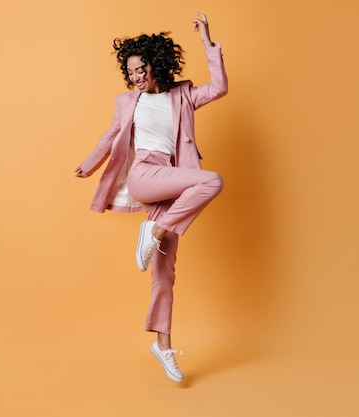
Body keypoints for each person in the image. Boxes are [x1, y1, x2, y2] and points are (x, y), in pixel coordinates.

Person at [75, 13, 228, 383]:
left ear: (156, 64)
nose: (136, 77)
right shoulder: (128, 101)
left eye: (141, 68)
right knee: (212, 181)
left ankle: (163, 344)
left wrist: (208, 42)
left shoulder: (183, 95)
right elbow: (111, 136)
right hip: (145, 174)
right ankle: (155, 230)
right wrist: (89, 164)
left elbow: (219, 87)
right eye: (130, 72)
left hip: (171, 184)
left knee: (164, 273)